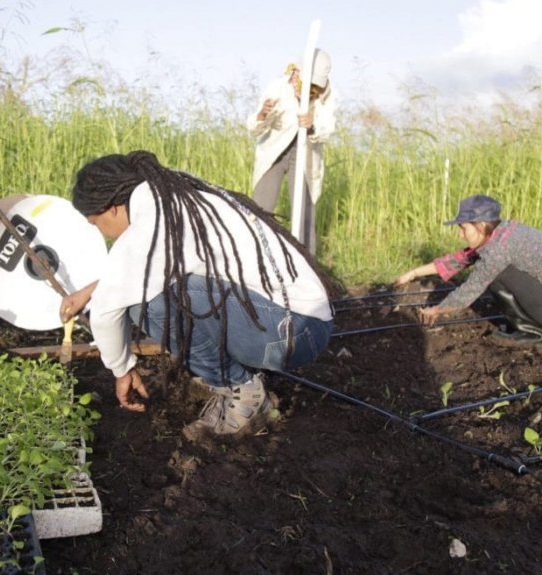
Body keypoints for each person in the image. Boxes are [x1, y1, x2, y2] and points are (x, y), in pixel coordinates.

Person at [59, 151, 335, 441]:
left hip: (289, 334)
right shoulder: (171, 197)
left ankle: (241, 391)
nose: (104, 233)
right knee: (157, 291)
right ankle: (233, 378)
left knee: (146, 305)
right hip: (303, 325)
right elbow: (150, 268)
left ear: (112, 208)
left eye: (96, 223)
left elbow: (107, 309)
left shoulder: (152, 220)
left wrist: (121, 369)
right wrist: (91, 289)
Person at [394, 194, 542, 347]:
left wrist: (436, 310)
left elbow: (469, 290)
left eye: (463, 228)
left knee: (498, 274)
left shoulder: (498, 251)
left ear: (481, 225)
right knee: (497, 268)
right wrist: (413, 273)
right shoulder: (507, 232)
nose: (460, 235)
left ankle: (532, 334)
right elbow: (461, 258)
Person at [247, 48, 337, 255]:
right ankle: (257, 258)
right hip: (274, 153)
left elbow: (328, 127)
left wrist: (312, 125)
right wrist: (262, 115)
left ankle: (308, 267)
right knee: (260, 208)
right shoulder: (279, 87)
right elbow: (254, 127)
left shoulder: (327, 94)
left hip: (305, 154)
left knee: (304, 213)